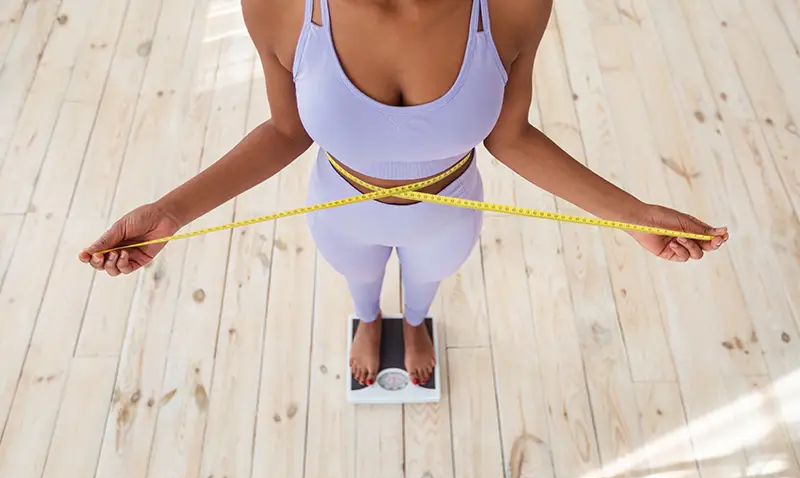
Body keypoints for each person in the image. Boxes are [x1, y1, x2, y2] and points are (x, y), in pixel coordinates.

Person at [79, 0, 728, 388]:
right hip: (341, 205)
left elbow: (511, 137)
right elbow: (286, 129)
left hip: (449, 212)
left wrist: (633, 215)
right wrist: (169, 214)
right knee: (360, 283)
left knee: (424, 287)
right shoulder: (279, 5)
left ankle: (413, 326)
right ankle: (368, 321)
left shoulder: (512, 6)